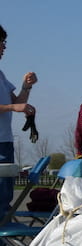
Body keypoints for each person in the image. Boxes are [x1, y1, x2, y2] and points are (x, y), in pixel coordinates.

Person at [0, 24, 38, 221]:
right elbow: (13, 106)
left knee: (4, 199)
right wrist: (12, 108)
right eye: (1, 43)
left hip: (5, 143)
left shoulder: (1, 75)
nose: (4, 47)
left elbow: (17, 102)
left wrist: (26, 87)